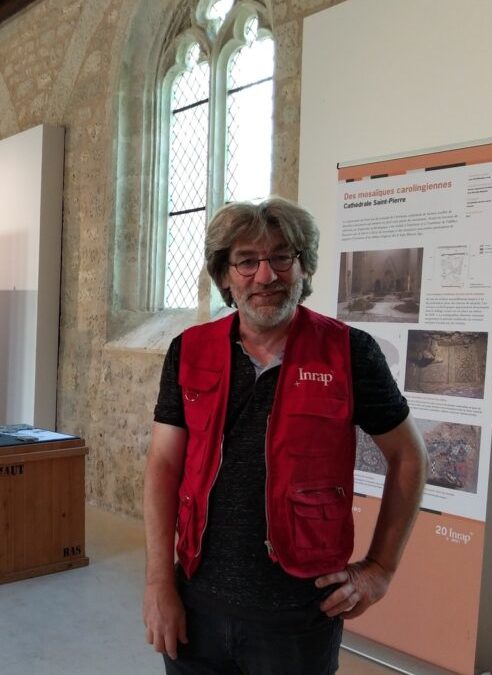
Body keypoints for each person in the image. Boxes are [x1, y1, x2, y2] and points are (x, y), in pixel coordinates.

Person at [143, 198, 428, 674]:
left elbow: (410, 458)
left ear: (303, 268)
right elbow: (164, 466)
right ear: (225, 276)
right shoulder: (188, 351)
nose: (266, 276)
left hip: (299, 616)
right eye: (247, 261)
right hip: (197, 604)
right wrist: (159, 583)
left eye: (282, 257)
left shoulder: (350, 352)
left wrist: (380, 570)